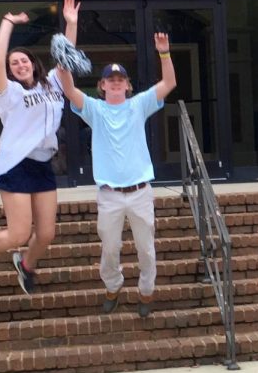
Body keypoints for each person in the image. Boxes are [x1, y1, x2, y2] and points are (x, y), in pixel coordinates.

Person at [0, 0, 80, 294]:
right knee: (18, 232)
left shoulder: (53, 82)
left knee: (45, 234)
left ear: (33, 63)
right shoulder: (7, 92)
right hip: (17, 164)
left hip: (43, 164)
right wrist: (8, 22)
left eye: (23, 60)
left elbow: (66, 58)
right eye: (14, 63)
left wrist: (71, 23)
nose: (19, 65)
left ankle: (26, 265)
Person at [56, 34, 176, 318]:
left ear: (128, 85)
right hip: (109, 194)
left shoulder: (138, 105)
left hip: (140, 192)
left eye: (120, 79)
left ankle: (146, 292)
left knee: (146, 250)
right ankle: (113, 286)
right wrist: (65, 61)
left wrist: (164, 53)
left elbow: (169, 83)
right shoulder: (95, 110)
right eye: (110, 79)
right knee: (110, 249)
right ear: (102, 85)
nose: (115, 82)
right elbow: (70, 90)